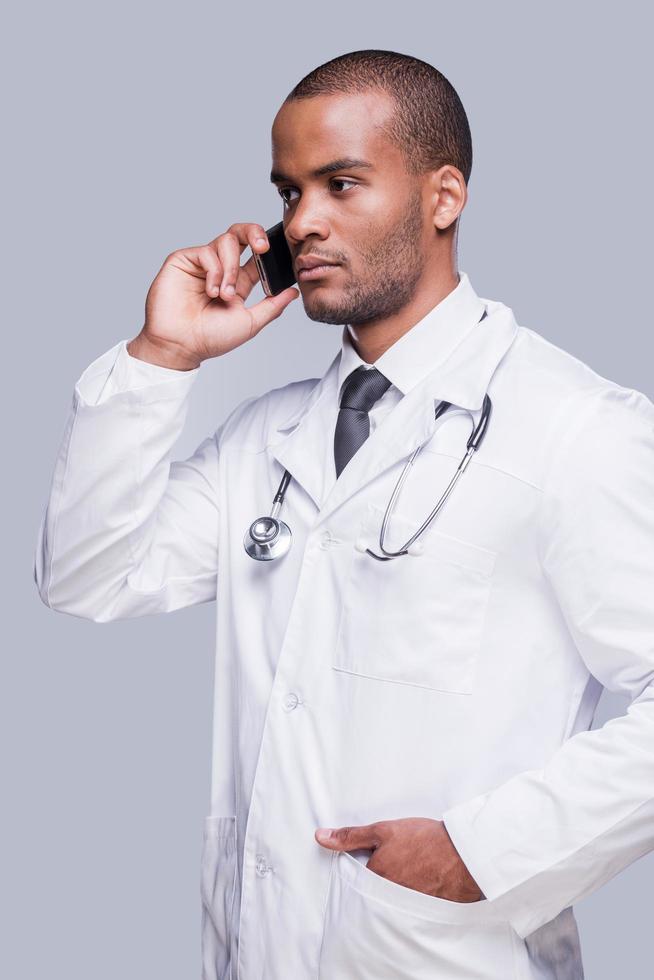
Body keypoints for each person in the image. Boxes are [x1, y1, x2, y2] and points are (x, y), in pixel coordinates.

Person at [34, 48, 654, 980]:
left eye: (342, 184)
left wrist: (480, 855)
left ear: (443, 197)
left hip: (443, 953)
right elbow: (87, 578)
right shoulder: (266, 438)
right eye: (289, 193)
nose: (303, 222)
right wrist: (162, 355)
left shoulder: (575, 428)